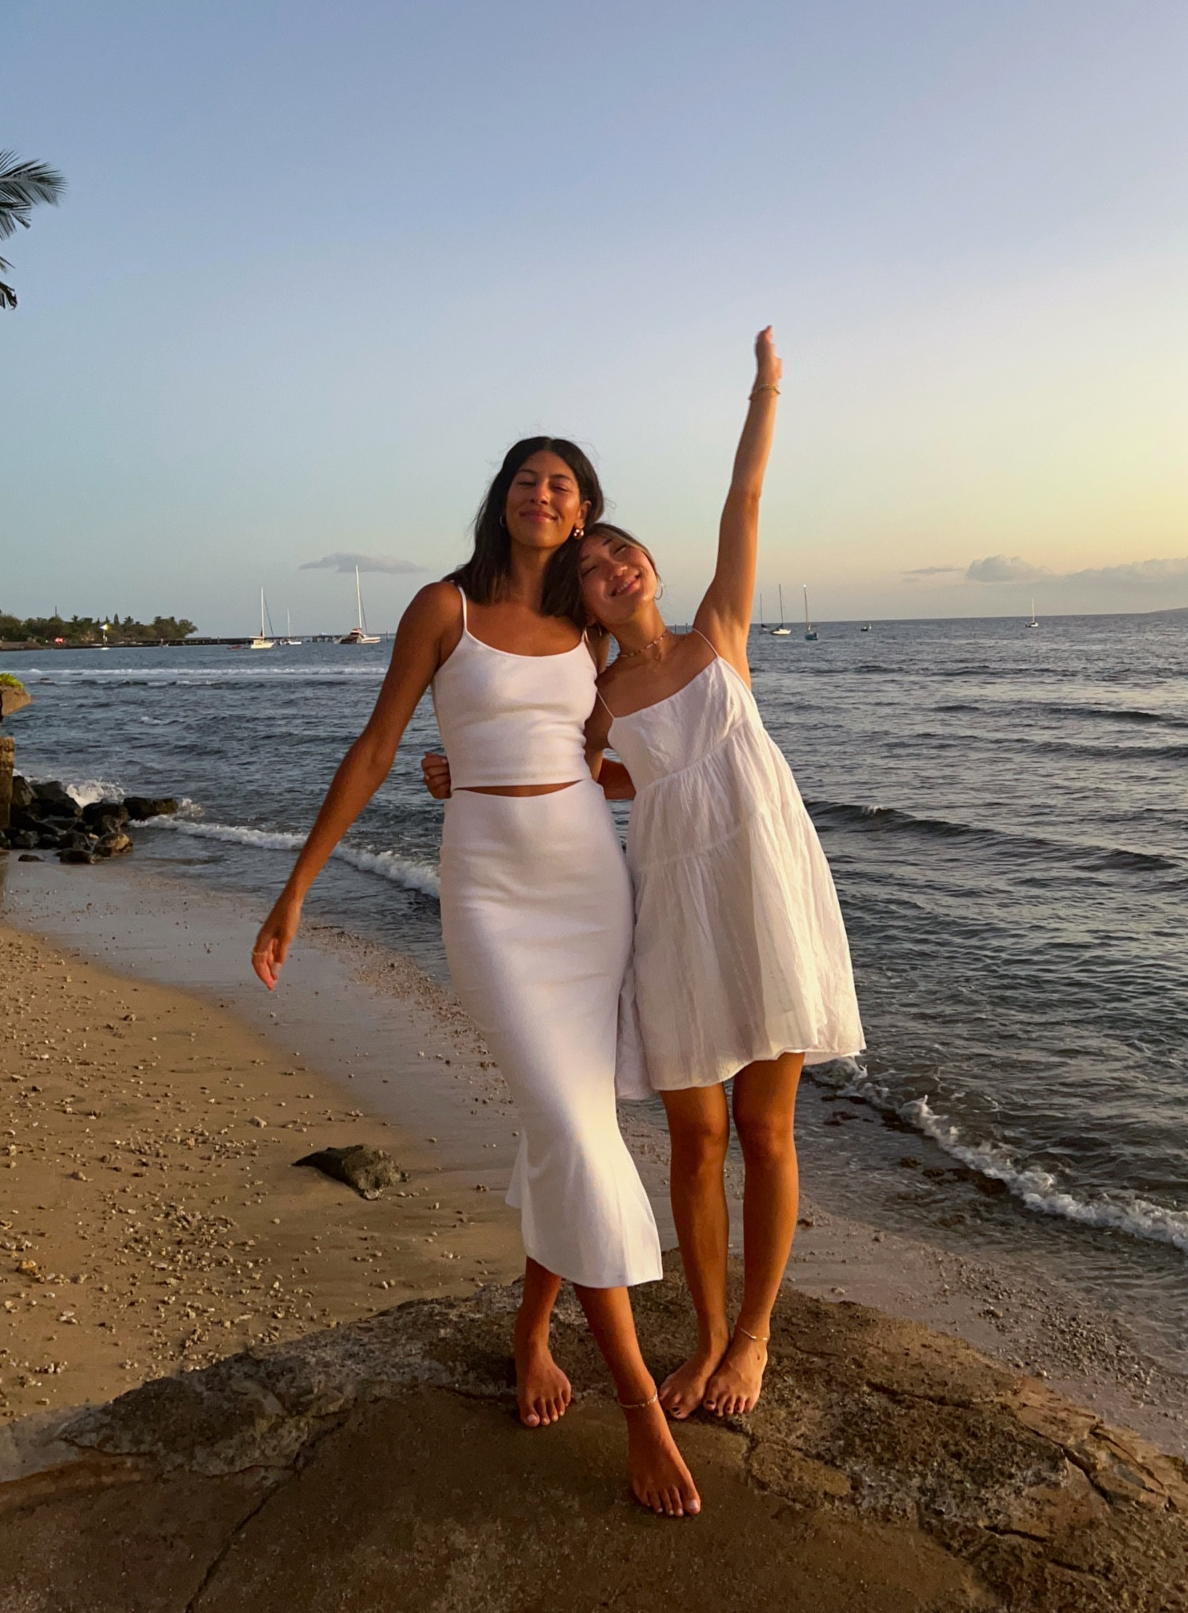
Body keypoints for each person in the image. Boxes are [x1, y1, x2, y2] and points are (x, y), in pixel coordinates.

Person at [252, 437, 700, 1518]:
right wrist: (296, 886)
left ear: (584, 512)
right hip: (491, 895)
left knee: (568, 1120)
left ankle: (533, 1329)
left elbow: (607, 764)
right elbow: (376, 747)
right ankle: (640, 1407)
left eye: (563, 484)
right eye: (527, 479)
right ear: (504, 498)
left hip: (589, 886)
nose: (542, 493)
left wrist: (694, 784)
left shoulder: (594, 630)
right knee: (574, 1126)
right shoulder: (441, 608)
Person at [578, 327, 863, 1420]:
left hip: (766, 893)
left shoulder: (720, 633)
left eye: (622, 552)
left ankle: (755, 1336)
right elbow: (579, 779)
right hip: (674, 914)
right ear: (587, 605)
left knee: (765, 1131)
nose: (614, 567)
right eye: (593, 570)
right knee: (696, 1137)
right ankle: (703, 1338)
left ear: (649, 566)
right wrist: (457, 773)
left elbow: (743, 498)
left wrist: (766, 388)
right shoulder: (596, 699)